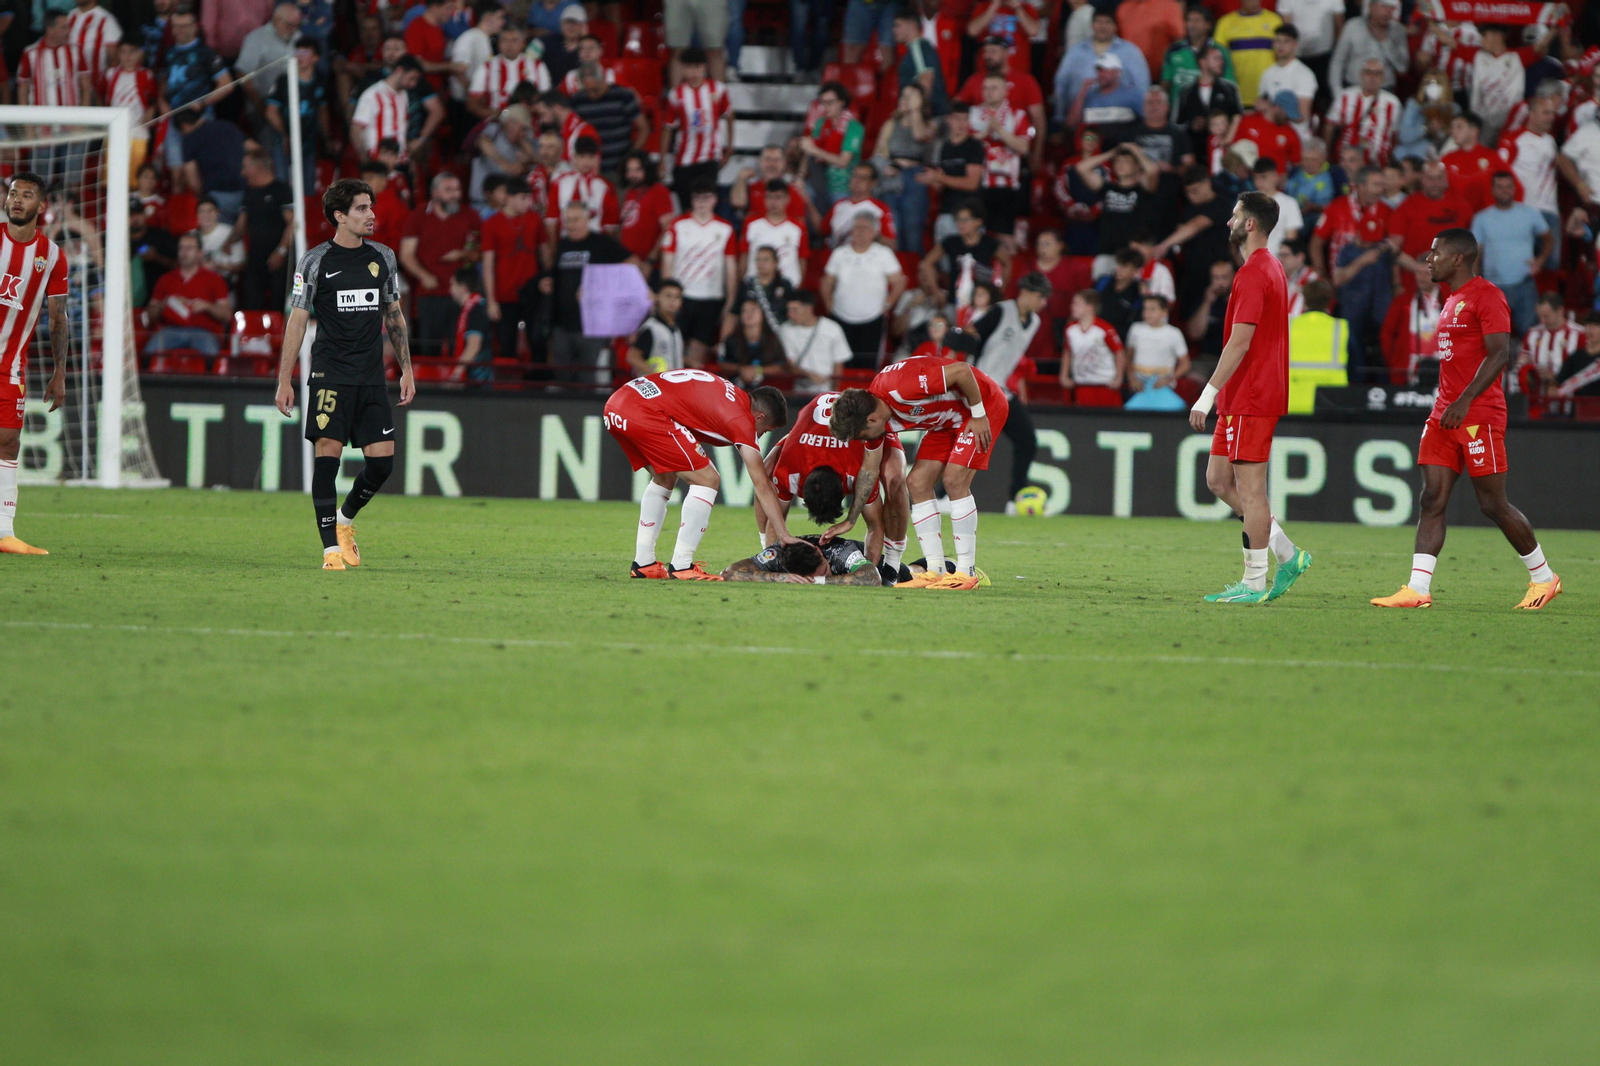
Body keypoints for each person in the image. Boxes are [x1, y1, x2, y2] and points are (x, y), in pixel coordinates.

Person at [1372, 229, 1562, 610]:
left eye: (1434, 253)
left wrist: (1464, 400)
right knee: (1432, 498)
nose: (1428, 260)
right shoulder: (1451, 300)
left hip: (1478, 415)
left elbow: (1499, 354)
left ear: (1458, 258)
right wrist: (1450, 403)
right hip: (1445, 413)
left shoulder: (1487, 296)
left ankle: (1544, 578)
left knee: (1492, 504)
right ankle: (1417, 589)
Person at [274, 178, 413, 571]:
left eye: (371, 207)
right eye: (362, 209)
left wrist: (407, 370)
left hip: (370, 377)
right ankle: (329, 551)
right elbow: (297, 321)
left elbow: (394, 315)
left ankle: (345, 521)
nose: (372, 215)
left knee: (382, 464)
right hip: (330, 374)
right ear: (340, 216)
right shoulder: (315, 261)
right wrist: (285, 379)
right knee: (326, 459)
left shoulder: (383, 257)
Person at [1187, 190, 1311, 603]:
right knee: (1218, 480)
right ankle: (1287, 554)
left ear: (1251, 224)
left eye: (1235, 215)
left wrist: (1206, 395)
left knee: (1252, 490)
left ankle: (1255, 582)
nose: (1229, 222)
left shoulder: (1255, 273)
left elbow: (1240, 343)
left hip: (1252, 395)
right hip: (1244, 396)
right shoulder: (1268, 268)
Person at [828, 354, 1008, 590]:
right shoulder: (875, 415)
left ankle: (966, 572)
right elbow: (870, 469)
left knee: (954, 480)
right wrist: (851, 519)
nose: (864, 441)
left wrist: (978, 413)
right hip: (946, 421)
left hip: (982, 407)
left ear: (871, 420)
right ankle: (935, 570)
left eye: (861, 436)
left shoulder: (902, 387)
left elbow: (963, 371)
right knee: (917, 483)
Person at [607, 371, 794, 580]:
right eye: (765, 430)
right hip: (644, 411)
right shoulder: (741, 420)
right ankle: (681, 565)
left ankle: (644, 563)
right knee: (708, 479)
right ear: (760, 416)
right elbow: (762, 484)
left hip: (617, 404)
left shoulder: (732, 394)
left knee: (665, 477)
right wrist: (783, 534)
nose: (760, 435)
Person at [0, 174, 70, 555]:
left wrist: (59, 373)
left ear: (41, 206)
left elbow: (57, 319)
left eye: (26, 195)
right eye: (13, 193)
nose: (17, 200)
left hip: (10, 365)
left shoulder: (54, 256)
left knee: (8, 442)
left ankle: (3, 533)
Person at [764, 390, 909, 567]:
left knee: (895, 478)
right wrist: (772, 564)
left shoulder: (858, 473)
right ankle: (764, 549)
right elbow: (775, 520)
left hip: (859, 418)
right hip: (806, 436)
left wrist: (869, 571)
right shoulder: (788, 469)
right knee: (763, 473)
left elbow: (875, 526)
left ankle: (893, 562)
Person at [968, 272, 1048, 500]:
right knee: (972, 445)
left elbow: (1013, 357)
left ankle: (1017, 498)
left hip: (1001, 391)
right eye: (1041, 297)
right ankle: (945, 496)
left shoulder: (1035, 322)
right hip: (979, 389)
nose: (1044, 304)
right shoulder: (1001, 311)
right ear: (1027, 293)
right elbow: (972, 336)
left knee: (1027, 441)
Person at [541, 200, 638, 382]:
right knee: (562, 376)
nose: (571, 225)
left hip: (593, 327)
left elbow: (632, 265)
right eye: (568, 220)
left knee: (588, 378)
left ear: (587, 220)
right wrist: (547, 282)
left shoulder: (601, 243)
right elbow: (557, 276)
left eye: (576, 220)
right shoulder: (563, 244)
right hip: (562, 325)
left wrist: (600, 287)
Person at [400, 171, 482, 357]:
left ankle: (458, 384)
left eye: (457, 189)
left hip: (462, 295)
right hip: (430, 292)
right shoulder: (419, 215)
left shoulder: (471, 216)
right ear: (435, 193)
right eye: (449, 190)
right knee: (430, 347)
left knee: (459, 346)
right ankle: (430, 386)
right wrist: (424, 276)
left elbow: (479, 253)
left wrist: (462, 254)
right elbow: (406, 254)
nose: (455, 194)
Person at [660, 186, 738, 368]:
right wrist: (666, 295)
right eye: (697, 198)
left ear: (715, 199)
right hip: (681, 297)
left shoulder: (725, 228)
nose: (701, 202)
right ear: (691, 200)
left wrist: (731, 300)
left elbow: (731, 268)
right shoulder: (678, 225)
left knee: (698, 353)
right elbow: (667, 261)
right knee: (673, 347)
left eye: (706, 197)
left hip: (711, 298)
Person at [1471, 172, 1551, 337]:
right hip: (1494, 287)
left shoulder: (1530, 213)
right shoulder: (1481, 219)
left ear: (1515, 189)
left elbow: (1549, 238)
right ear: (1492, 190)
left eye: (1508, 187)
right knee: (1493, 338)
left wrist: (1540, 260)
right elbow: (1475, 254)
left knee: (1530, 336)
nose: (1504, 191)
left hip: (1525, 285)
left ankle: (1526, 364)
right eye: (1500, 187)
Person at [822, 212, 907, 368]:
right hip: (841, 316)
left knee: (868, 364)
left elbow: (898, 282)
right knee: (842, 363)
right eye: (856, 227)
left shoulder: (883, 254)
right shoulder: (839, 254)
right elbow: (827, 282)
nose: (860, 231)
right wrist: (829, 305)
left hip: (873, 318)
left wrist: (888, 304)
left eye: (865, 228)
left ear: (875, 232)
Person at [479, 176, 545, 362]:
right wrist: (491, 300)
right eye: (523, 198)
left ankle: (538, 384)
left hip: (532, 291)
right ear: (509, 197)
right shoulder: (491, 223)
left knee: (537, 342)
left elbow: (544, 253)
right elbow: (488, 263)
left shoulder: (534, 219)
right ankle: (507, 387)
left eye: (529, 198)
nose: (528, 202)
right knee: (506, 345)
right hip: (505, 294)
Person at [970, 73, 1034, 249]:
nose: (988, 92)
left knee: (1005, 237)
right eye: (985, 88)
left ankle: (1007, 275)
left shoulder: (1018, 115)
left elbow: (1024, 147)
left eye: (994, 88)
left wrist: (999, 130)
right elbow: (965, 144)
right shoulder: (973, 114)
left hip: (1006, 185)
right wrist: (984, 133)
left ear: (1005, 91)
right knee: (977, 236)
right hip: (979, 183)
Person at [144, 232, 233, 357]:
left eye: (189, 248)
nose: (184, 252)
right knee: (149, 352)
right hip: (171, 330)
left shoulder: (215, 279)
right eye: (181, 248)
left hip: (203, 332)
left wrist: (207, 307)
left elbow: (226, 315)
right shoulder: (166, 279)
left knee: (211, 355)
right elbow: (150, 315)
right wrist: (163, 305)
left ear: (200, 253)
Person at [229, 148, 295, 313]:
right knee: (251, 301)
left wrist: (280, 251)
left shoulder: (281, 190)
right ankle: (253, 337)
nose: (242, 172)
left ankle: (279, 337)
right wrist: (228, 242)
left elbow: (293, 224)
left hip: (279, 257)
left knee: (278, 303)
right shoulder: (249, 192)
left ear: (258, 167)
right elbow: (241, 224)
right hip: (255, 256)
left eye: (245, 167)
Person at [1054, 9, 1150, 122]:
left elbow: (1142, 86)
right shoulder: (1075, 52)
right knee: (1089, 138)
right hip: (1081, 119)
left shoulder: (1131, 52)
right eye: (1098, 22)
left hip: (1121, 120)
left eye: (1108, 22)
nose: (1102, 26)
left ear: (1116, 26)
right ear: (1092, 25)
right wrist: (1059, 117)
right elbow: (1061, 84)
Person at [873, 83, 937, 253]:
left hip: (915, 178)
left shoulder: (930, 124)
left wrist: (915, 111)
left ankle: (915, 273)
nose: (906, 99)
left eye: (912, 96)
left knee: (913, 231)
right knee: (894, 230)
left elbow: (920, 135)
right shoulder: (891, 124)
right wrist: (885, 166)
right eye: (904, 95)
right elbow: (879, 152)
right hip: (892, 177)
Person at [663, 47, 733, 197]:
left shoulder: (718, 89)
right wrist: (662, 159)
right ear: (682, 69)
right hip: (684, 157)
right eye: (689, 67)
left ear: (704, 67)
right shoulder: (676, 95)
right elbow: (668, 127)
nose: (693, 72)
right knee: (687, 206)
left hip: (710, 156)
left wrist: (729, 147)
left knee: (705, 201)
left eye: (697, 67)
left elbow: (729, 116)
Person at [920, 199, 1007, 313]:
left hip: (981, 304)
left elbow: (1007, 263)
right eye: (958, 220)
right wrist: (936, 291)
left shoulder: (989, 243)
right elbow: (927, 263)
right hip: (954, 301)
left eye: (965, 220)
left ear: (978, 222)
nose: (960, 224)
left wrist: (999, 290)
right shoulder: (951, 242)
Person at [922, 111, 985, 240]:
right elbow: (940, 185)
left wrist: (939, 178)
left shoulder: (975, 145)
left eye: (964, 119)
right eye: (956, 119)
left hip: (969, 214)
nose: (961, 124)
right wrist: (932, 179)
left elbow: (972, 183)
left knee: (968, 258)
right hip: (946, 211)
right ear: (948, 120)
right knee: (944, 256)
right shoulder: (943, 147)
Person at [802, 82, 866, 208]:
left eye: (830, 102)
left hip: (842, 185)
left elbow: (843, 162)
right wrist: (800, 176)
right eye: (823, 102)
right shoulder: (820, 123)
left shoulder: (854, 128)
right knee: (799, 195)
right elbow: (808, 154)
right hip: (818, 180)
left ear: (841, 102)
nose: (825, 107)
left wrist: (815, 150)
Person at [1326, 58, 1400, 167]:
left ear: (1383, 78)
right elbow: (1329, 125)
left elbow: (1395, 135)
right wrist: (1327, 153)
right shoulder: (1345, 96)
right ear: (1361, 75)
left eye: (1377, 74)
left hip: (1377, 163)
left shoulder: (1393, 103)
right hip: (1345, 159)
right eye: (1368, 72)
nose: (1372, 77)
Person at [721, 536, 886, 585]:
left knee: (910, 571)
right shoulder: (779, 555)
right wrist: (779, 577)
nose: (827, 573)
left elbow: (871, 578)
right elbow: (729, 573)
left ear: (818, 551)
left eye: (823, 569)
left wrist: (818, 581)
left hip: (886, 568)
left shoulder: (841, 551)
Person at [467, 22, 548, 118]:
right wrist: (499, 115)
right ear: (498, 44)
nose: (509, 45)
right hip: (496, 122)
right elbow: (472, 104)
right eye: (504, 40)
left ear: (523, 43)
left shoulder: (538, 66)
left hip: (530, 122)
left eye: (514, 40)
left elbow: (546, 100)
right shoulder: (486, 67)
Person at [1059, 288, 1125, 405]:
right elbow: (1067, 352)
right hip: (1082, 384)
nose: (1072, 306)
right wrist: (1064, 375)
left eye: (1077, 304)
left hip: (1105, 384)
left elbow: (1119, 352)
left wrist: (1118, 378)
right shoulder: (1070, 329)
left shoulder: (1105, 329)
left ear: (1090, 307)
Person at [1161, 6, 1234, 110]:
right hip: (1179, 112)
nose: (1192, 25)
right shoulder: (1174, 50)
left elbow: (1229, 84)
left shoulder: (1220, 51)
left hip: (1210, 112)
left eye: (1197, 20)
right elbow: (1166, 83)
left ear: (1208, 25)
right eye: (1189, 20)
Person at [1327, 0, 1406, 96]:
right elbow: (1337, 62)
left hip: (1385, 90)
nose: (1388, 11)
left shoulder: (1398, 30)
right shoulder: (1352, 26)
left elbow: (1402, 68)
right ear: (1371, 7)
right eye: (1384, 6)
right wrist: (1338, 93)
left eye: (1391, 8)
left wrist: (1386, 42)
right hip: (1353, 87)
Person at [779, 290, 853, 393]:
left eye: (795, 310)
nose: (790, 314)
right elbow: (788, 364)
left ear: (809, 308)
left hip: (826, 390)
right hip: (797, 391)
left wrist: (834, 393)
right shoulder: (785, 330)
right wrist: (808, 374)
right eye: (789, 310)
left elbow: (838, 364)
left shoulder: (832, 328)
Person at [353, 54, 423, 158]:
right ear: (400, 70)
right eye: (411, 78)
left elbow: (401, 128)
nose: (413, 84)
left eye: (416, 80)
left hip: (400, 160)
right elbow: (356, 129)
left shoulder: (404, 95)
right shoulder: (372, 94)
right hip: (378, 161)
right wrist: (366, 161)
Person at [1214, 0, 1282, 106]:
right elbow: (1217, 57)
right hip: (1236, 94)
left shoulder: (1275, 21)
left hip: (1269, 95)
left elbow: (1282, 56)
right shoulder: (1225, 23)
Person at [741, 180, 808, 286]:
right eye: (769, 197)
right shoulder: (751, 224)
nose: (773, 202)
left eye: (778, 197)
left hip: (788, 285)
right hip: (755, 284)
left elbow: (802, 259)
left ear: (787, 199)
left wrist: (798, 284)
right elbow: (744, 255)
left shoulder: (798, 227)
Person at [1256, 24, 1317, 138]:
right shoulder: (1267, 73)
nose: (1281, 46)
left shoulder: (1304, 74)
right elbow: (1261, 104)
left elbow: (1302, 116)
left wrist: (1271, 110)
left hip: (1296, 135)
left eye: (1286, 41)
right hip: (1271, 133)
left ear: (1295, 44)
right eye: (1277, 41)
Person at [1516, 291, 1581, 397]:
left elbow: (1585, 369)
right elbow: (1521, 363)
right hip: (1538, 398)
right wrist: (1530, 374)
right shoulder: (1532, 334)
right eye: (1539, 316)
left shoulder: (1580, 335)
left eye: (1546, 316)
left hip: (1570, 399)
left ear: (1560, 311)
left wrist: (1555, 378)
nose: (1542, 321)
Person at [620, 151, 677, 267]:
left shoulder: (658, 191)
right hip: (629, 263)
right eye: (629, 170)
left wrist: (651, 260)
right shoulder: (628, 193)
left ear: (647, 169)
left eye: (637, 170)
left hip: (650, 265)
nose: (632, 175)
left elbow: (668, 229)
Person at [1126, 294, 1190, 393]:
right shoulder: (1136, 329)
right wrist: (1132, 379)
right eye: (1145, 309)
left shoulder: (1174, 333)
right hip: (1138, 385)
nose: (1147, 313)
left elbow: (1185, 364)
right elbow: (1128, 357)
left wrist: (1168, 379)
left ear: (1164, 312)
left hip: (1163, 385)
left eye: (1152, 309)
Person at [1175, 44, 1242, 135]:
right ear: (1202, 62)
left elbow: (1238, 119)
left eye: (1221, 59)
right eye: (1216, 59)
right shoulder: (1186, 92)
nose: (1221, 62)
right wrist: (1191, 125)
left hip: (1221, 146)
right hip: (1194, 146)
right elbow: (1177, 124)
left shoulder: (1229, 89)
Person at [893, 8, 948, 117]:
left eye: (898, 25)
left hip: (931, 115)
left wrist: (919, 114)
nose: (894, 30)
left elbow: (926, 79)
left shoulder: (918, 47)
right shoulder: (917, 48)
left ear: (911, 25)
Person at [627, 280, 686, 375]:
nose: (672, 300)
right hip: (657, 386)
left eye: (677, 297)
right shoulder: (651, 328)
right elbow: (633, 357)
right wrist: (655, 375)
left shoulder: (676, 328)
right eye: (668, 296)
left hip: (674, 385)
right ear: (658, 297)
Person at [721, 297, 786, 384]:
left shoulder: (772, 339)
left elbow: (780, 365)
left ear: (762, 314)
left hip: (767, 386)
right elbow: (723, 363)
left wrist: (757, 370)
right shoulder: (732, 339)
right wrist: (741, 369)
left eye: (753, 310)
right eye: (745, 311)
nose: (749, 314)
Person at [448, 267, 493, 381]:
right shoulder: (473, 308)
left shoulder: (476, 310)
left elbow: (473, 345)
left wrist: (456, 374)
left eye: (452, 285)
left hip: (478, 382)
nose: (450, 290)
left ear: (463, 288)